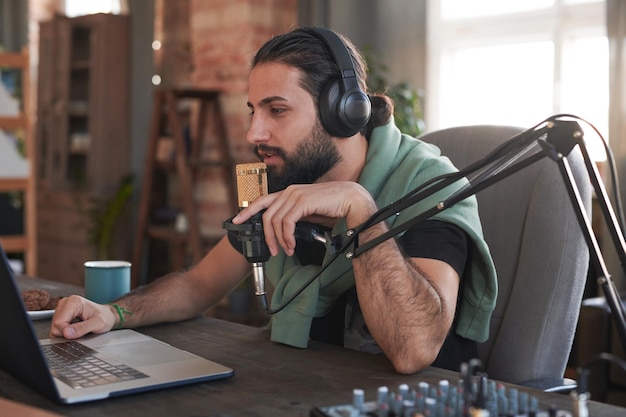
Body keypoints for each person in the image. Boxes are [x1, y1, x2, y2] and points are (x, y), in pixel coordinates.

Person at [50, 27, 497, 375]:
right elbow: (198, 285)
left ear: (342, 110)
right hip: (298, 390)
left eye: (276, 110)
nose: (254, 134)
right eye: (253, 111)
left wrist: (360, 207)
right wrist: (114, 313)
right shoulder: (282, 181)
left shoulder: (432, 186)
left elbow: (414, 349)